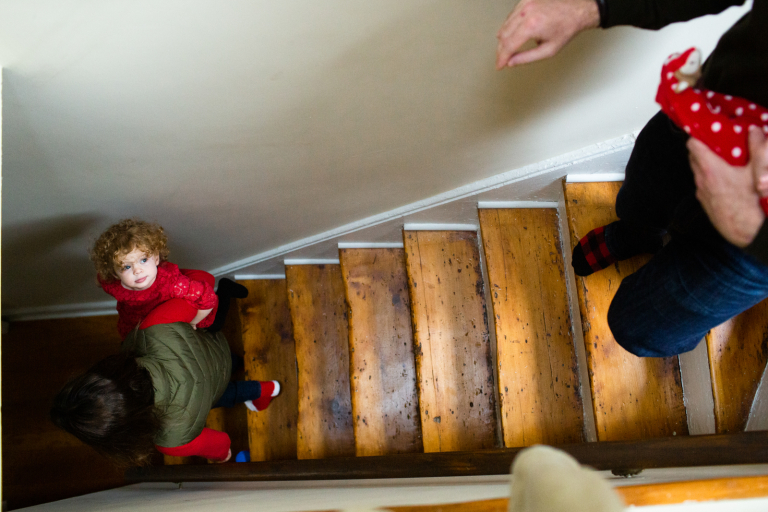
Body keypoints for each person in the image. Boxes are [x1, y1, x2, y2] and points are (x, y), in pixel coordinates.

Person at [496, 0, 768, 356]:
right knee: (639, 199)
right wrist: (594, 7)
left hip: (754, 248)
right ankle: (637, 235)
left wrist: (756, 233)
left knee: (639, 327)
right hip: (707, 118)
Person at [50, 297, 281, 465]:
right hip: (215, 347)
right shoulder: (150, 328)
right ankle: (237, 362)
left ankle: (264, 390)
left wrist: (223, 457)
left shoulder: (171, 440)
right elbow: (198, 300)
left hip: (213, 389)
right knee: (222, 362)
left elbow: (221, 442)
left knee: (228, 393)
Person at [90, 218, 246, 338]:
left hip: (180, 309)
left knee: (216, 325)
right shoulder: (112, 283)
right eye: (126, 267)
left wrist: (194, 321)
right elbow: (100, 279)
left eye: (143, 260)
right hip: (133, 321)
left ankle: (225, 288)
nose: (137, 270)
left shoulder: (171, 283)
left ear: (156, 259)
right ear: (114, 273)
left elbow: (208, 298)